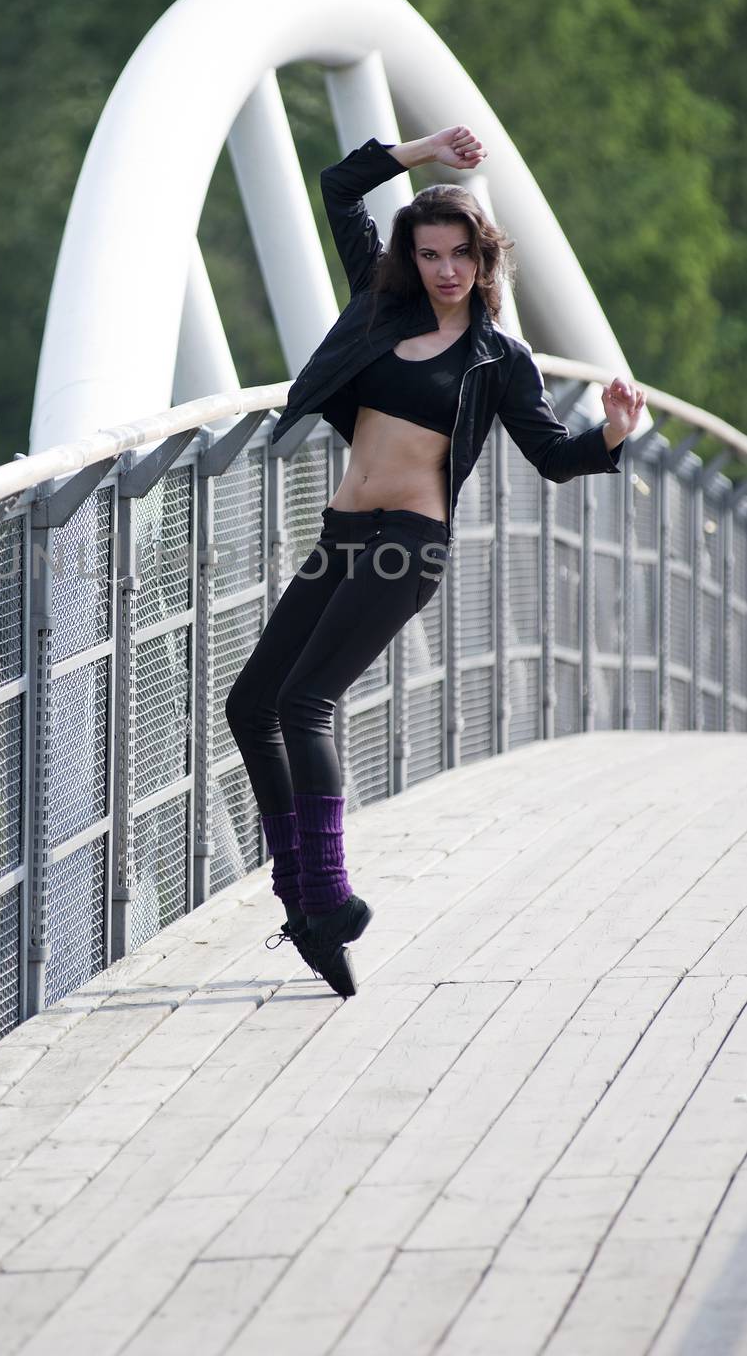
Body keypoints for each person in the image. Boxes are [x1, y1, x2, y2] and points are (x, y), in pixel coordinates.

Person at [224, 124, 646, 999]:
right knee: (248, 706)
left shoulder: (500, 360)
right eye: (428, 254)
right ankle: (300, 900)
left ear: (483, 260)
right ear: (410, 258)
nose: (444, 270)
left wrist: (609, 431)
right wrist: (421, 152)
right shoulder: (378, 312)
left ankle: (328, 894)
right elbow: (340, 188)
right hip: (343, 535)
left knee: (303, 704)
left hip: (405, 545)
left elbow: (555, 459)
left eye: (459, 255)